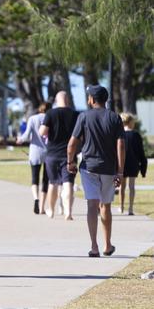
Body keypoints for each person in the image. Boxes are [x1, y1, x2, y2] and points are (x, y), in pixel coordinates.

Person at [67, 85, 124, 257]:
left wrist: (70, 162)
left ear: (92, 99)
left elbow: (71, 144)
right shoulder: (114, 117)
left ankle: (94, 246)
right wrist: (120, 171)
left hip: (88, 167)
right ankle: (107, 245)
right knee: (105, 205)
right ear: (105, 100)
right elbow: (121, 145)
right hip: (108, 168)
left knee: (92, 205)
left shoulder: (83, 116)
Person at [39, 91, 79, 220]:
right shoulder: (75, 114)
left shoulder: (51, 113)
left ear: (56, 100)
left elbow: (42, 132)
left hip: (52, 153)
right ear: (68, 100)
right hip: (70, 153)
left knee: (53, 182)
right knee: (69, 183)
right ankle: (68, 212)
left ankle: (51, 210)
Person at [18, 102, 50, 214]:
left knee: (34, 178)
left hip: (35, 151)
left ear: (40, 109)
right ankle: (42, 207)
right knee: (46, 180)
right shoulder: (51, 117)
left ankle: (36, 199)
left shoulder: (32, 118)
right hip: (48, 152)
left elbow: (26, 135)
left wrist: (20, 140)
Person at [119, 113, 147, 215]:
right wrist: (143, 169)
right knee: (131, 186)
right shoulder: (136, 135)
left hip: (122, 163)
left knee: (122, 186)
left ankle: (121, 207)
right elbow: (141, 152)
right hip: (134, 163)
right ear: (131, 122)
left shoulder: (120, 134)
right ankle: (130, 208)